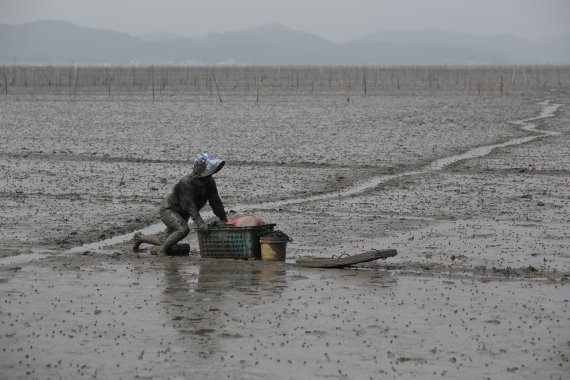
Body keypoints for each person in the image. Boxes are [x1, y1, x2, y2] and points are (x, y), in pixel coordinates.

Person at [133, 152, 228, 255]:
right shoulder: (186, 183)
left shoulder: (210, 183)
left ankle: (139, 237)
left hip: (183, 213)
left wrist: (223, 218)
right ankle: (161, 251)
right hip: (170, 209)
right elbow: (190, 206)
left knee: (166, 241)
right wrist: (200, 223)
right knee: (183, 229)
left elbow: (216, 201)